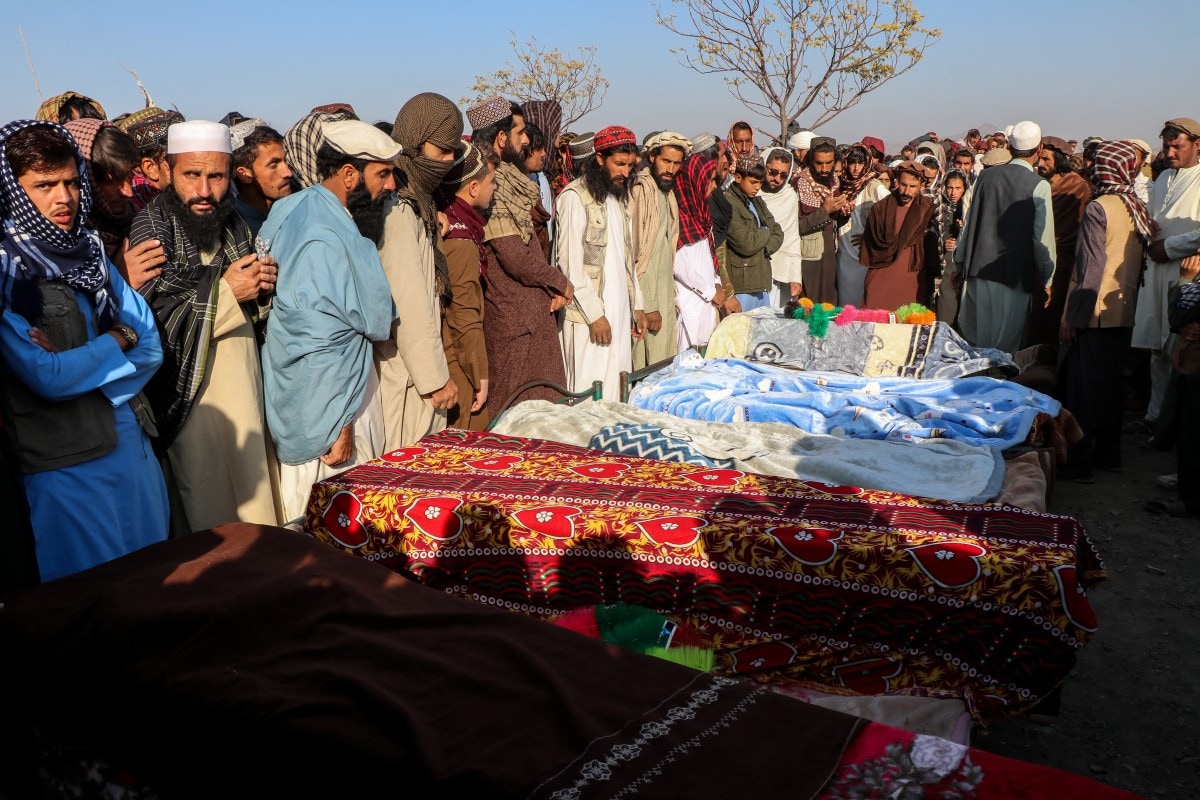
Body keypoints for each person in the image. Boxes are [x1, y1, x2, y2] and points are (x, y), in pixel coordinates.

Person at [0, 119, 167, 581]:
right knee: (90, 601)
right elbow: (45, 378)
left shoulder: (88, 249)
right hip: (64, 467)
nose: (64, 198)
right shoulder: (8, 272)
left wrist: (87, 360)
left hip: (130, 441)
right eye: (45, 185)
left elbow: (149, 346)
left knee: (157, 582)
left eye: (72, 181)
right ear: (12, 189)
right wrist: (116, 340)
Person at [130, 119, 283, 532]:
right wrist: (226, 290)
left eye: (215, 176)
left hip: (246, 389)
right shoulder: (151, 227)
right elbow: (146, 320)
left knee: (258, 512)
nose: (203, 190)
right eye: (192, 175)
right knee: (207, 508)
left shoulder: (233, 222)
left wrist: (261, 283)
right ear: (169, 171)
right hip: (189, 402)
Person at [260, 120, 397, 521]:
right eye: (383, 174)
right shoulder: (326, 233)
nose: (390, 186)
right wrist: (338, 422)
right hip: (331, 407)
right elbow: (319, 338)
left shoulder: (292, 208)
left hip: (315, 398)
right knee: (337, 528)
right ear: (349, 174)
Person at [1057, 140, 1153, 482]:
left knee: (1082, 391)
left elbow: (1090, 269)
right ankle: (1109, 455)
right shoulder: (1134, 206)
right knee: (1111, 387)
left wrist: (1072, 316)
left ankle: (1080, 462)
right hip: (1123, 312)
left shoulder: (1099, 208)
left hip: (1093, 311)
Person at [471, 96, 574, 414]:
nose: (527, 139)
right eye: (520, 133)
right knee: (516, 426)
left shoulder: (513, 182)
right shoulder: (496, 186)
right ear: (502, 138)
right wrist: (559, 281)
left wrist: (549, 287)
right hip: (516, 329)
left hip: (530, 321)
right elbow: (514, 256)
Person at [372, 92, 462, 450]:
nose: (449, 160)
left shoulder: (419, 203)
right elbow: (409, 303)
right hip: (407, 375)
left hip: (416, 370)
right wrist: (435, 379)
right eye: (441, 151)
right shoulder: (398, 208)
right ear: (414, 141)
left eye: (453, 151)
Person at [557, 125, 645, 399]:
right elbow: (569, 266)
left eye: (630, 165)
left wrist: (638, 306)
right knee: (587, 396)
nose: (625, 173)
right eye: (619, 164)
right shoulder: (574, 198)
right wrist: (595, 316)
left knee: (616, 393)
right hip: (587, 318)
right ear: (599, 159)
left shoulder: (620, 198)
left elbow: (627, 260)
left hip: (618, 316)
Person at [953, 120, 1057, 354]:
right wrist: (1048, 279)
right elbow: (1043, 242)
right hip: (1014, 281)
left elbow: (968, 226)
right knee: (1005, 354)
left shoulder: (985, 178)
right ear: (1039, 150)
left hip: (977, 273)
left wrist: (959, 264)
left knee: (977, 349)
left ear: (1010, 146)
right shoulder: (1039, 185)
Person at [1133, 118, 1200, 432]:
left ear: (1197, 145)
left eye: (1178, 146)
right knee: (1157, 348)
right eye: (1167, 146)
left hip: (1186, 272)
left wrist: (1170, 246)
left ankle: (1177, 424)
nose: (1171, 152)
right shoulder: (1161, 179)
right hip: (1157, 271)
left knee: (1181, 348)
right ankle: (1155, 417)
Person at [436, 143, 496, 431]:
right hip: (458, 362)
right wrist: (478, 374)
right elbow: (463, 313)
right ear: (473, 188)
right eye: (491, 181)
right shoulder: (460, 239)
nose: (494, 188)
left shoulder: (454, 222)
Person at [1027, 135, 1092, 346]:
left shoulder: (1077, 187)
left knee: (1052, 319)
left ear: (1060, 159)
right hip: (1036, 260)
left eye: (1047, 159)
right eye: (1040, 158)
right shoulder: (1037, 184)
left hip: (1063, 263)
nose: (1041, 164)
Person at [630, 131, 687, 368]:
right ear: (652, 157)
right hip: (647, 297)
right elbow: (635, 254)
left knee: (663, 364)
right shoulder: (641, 190)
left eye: (676, 164)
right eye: (666, 161)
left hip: (663, 293)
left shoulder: (666, 193)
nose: (670, 169)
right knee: (645, 367)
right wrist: (648, 305)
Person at [858, 160, 936, 310]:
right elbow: (872, 246)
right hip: (880, 274)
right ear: (896, 182)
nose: (906, 191)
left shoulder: (927, 210)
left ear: (921, 186)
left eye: (912, 187)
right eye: (903, 185)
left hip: (911, 275)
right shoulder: (880, 209)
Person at [673, 153, 727, 349]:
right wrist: (710, 291)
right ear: (695, 181)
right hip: (689, 304)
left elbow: (710, 254)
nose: (714, 185)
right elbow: (680, 266)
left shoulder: (702, 213)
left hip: (708, 302)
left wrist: (717, 284)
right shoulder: (679, 215)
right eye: (710, 180)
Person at [723, 154, 783, 311]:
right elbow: (746, 244)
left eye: (760, 183)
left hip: (760, 284)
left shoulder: (757, 201)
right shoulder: (728, 203)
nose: (757, 187)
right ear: (737, 177)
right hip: (742, 287)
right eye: (753, 182)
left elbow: (778, 231)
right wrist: (765, 231)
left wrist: (764, 248)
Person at [835, 143, 890, 307]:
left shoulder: (874, 187)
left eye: (860, 163)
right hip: (844, 252)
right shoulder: (840, 185)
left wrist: (871, 237)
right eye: (852, 163)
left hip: (864, 255)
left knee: (863, 301)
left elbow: (891, 212)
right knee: (844, 302)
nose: (856, 168)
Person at [795, 136, 847, 304]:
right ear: (811, 161)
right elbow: (798, 226)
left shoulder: (834, 182)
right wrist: (825, 210)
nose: (824, 168)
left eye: (829, 163)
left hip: (829, 255)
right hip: (809, 260)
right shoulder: (799, 184)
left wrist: (843, 211)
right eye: (819, 163)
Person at [231, 120, 292, 238]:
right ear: (244, 175)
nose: (288, 173)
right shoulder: (236, 230)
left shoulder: (294, 212)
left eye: (286, 161)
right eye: (273, 165)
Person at [758, 146, 802, 304]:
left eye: (783, 175)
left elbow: (792, 238)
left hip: (778, 271)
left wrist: (795, 276)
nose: (777, 179)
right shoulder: (749, 192)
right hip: (750, 270)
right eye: (773, 172)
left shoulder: (789, 196)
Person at [931, 168, 969, 324]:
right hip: (946, 268)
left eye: (958, 188)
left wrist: (964, 231)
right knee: (946, 312)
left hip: (964, 268)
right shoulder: (936, 208)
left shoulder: (969, 209)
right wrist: (941, 243)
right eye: (950, 187)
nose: (953, 192)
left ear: (965, 188)